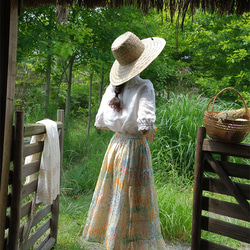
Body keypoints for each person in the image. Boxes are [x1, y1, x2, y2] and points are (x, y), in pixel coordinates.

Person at [82, 31, 167, 249]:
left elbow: (101, 122)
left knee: (116, 194)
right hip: (134, 148)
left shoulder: (112, 89)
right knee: (134, 197)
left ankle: (115, 241)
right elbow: (146, 126)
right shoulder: (144, 86)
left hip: (116, 146)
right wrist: (149, 135)